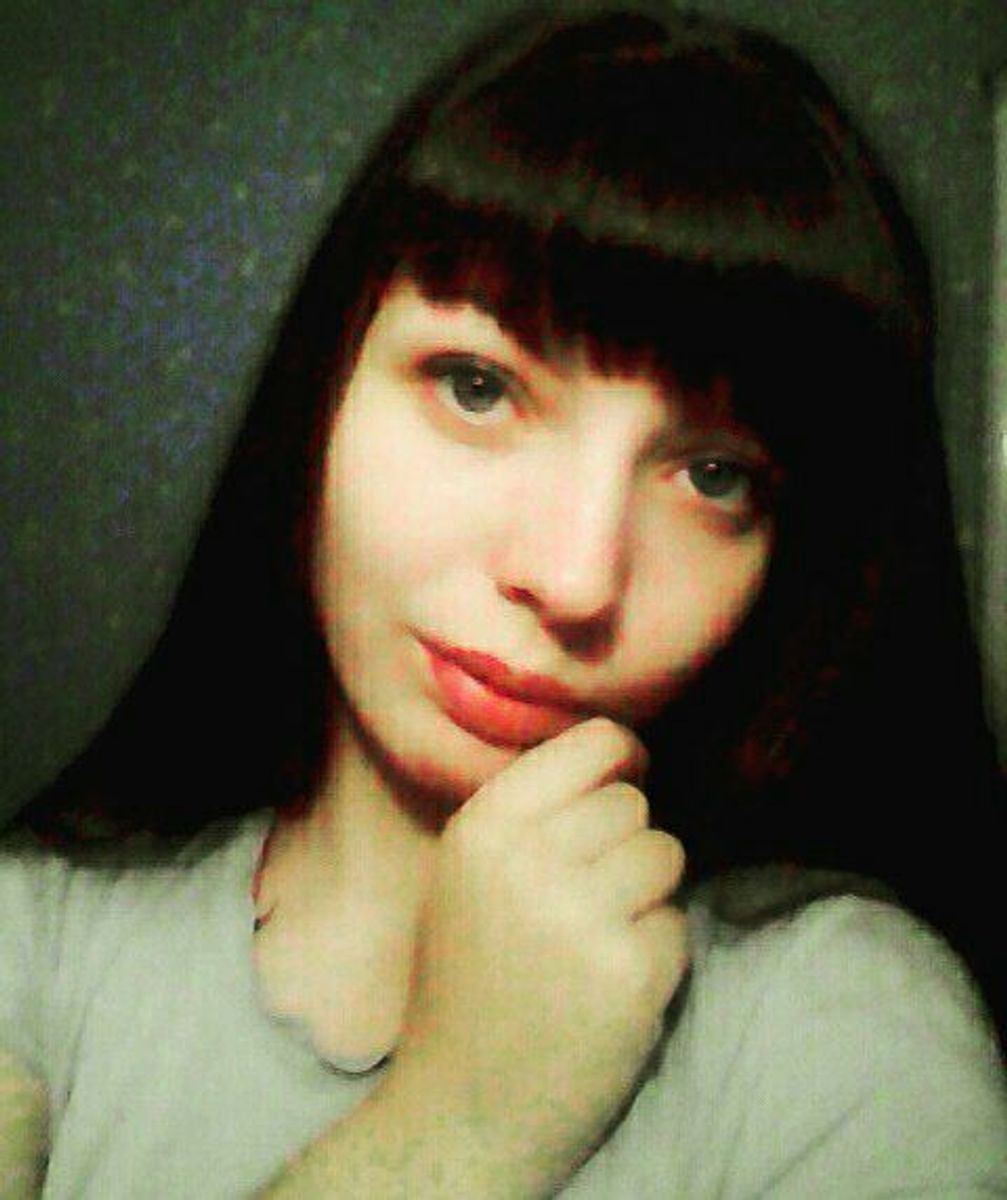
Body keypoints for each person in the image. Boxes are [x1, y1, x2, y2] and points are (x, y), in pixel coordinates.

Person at [3, 3, 1006, 1196]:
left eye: (712, 475)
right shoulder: (34, 940)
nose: (575, 578)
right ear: (322, 391)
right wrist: (458, 1124)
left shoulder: (839, 1037)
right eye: (476, 387)